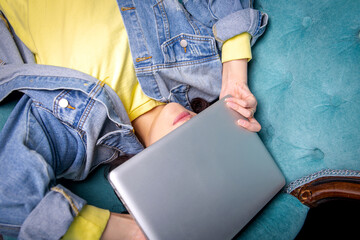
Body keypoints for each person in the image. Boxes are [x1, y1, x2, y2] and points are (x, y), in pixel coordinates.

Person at [0, 0, 268, 239]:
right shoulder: (201, 73)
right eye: (208, 142)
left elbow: (11, 201)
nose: (191, 128)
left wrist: (133, 231)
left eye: (188, 158)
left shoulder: (77, 134)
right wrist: (235, 74)